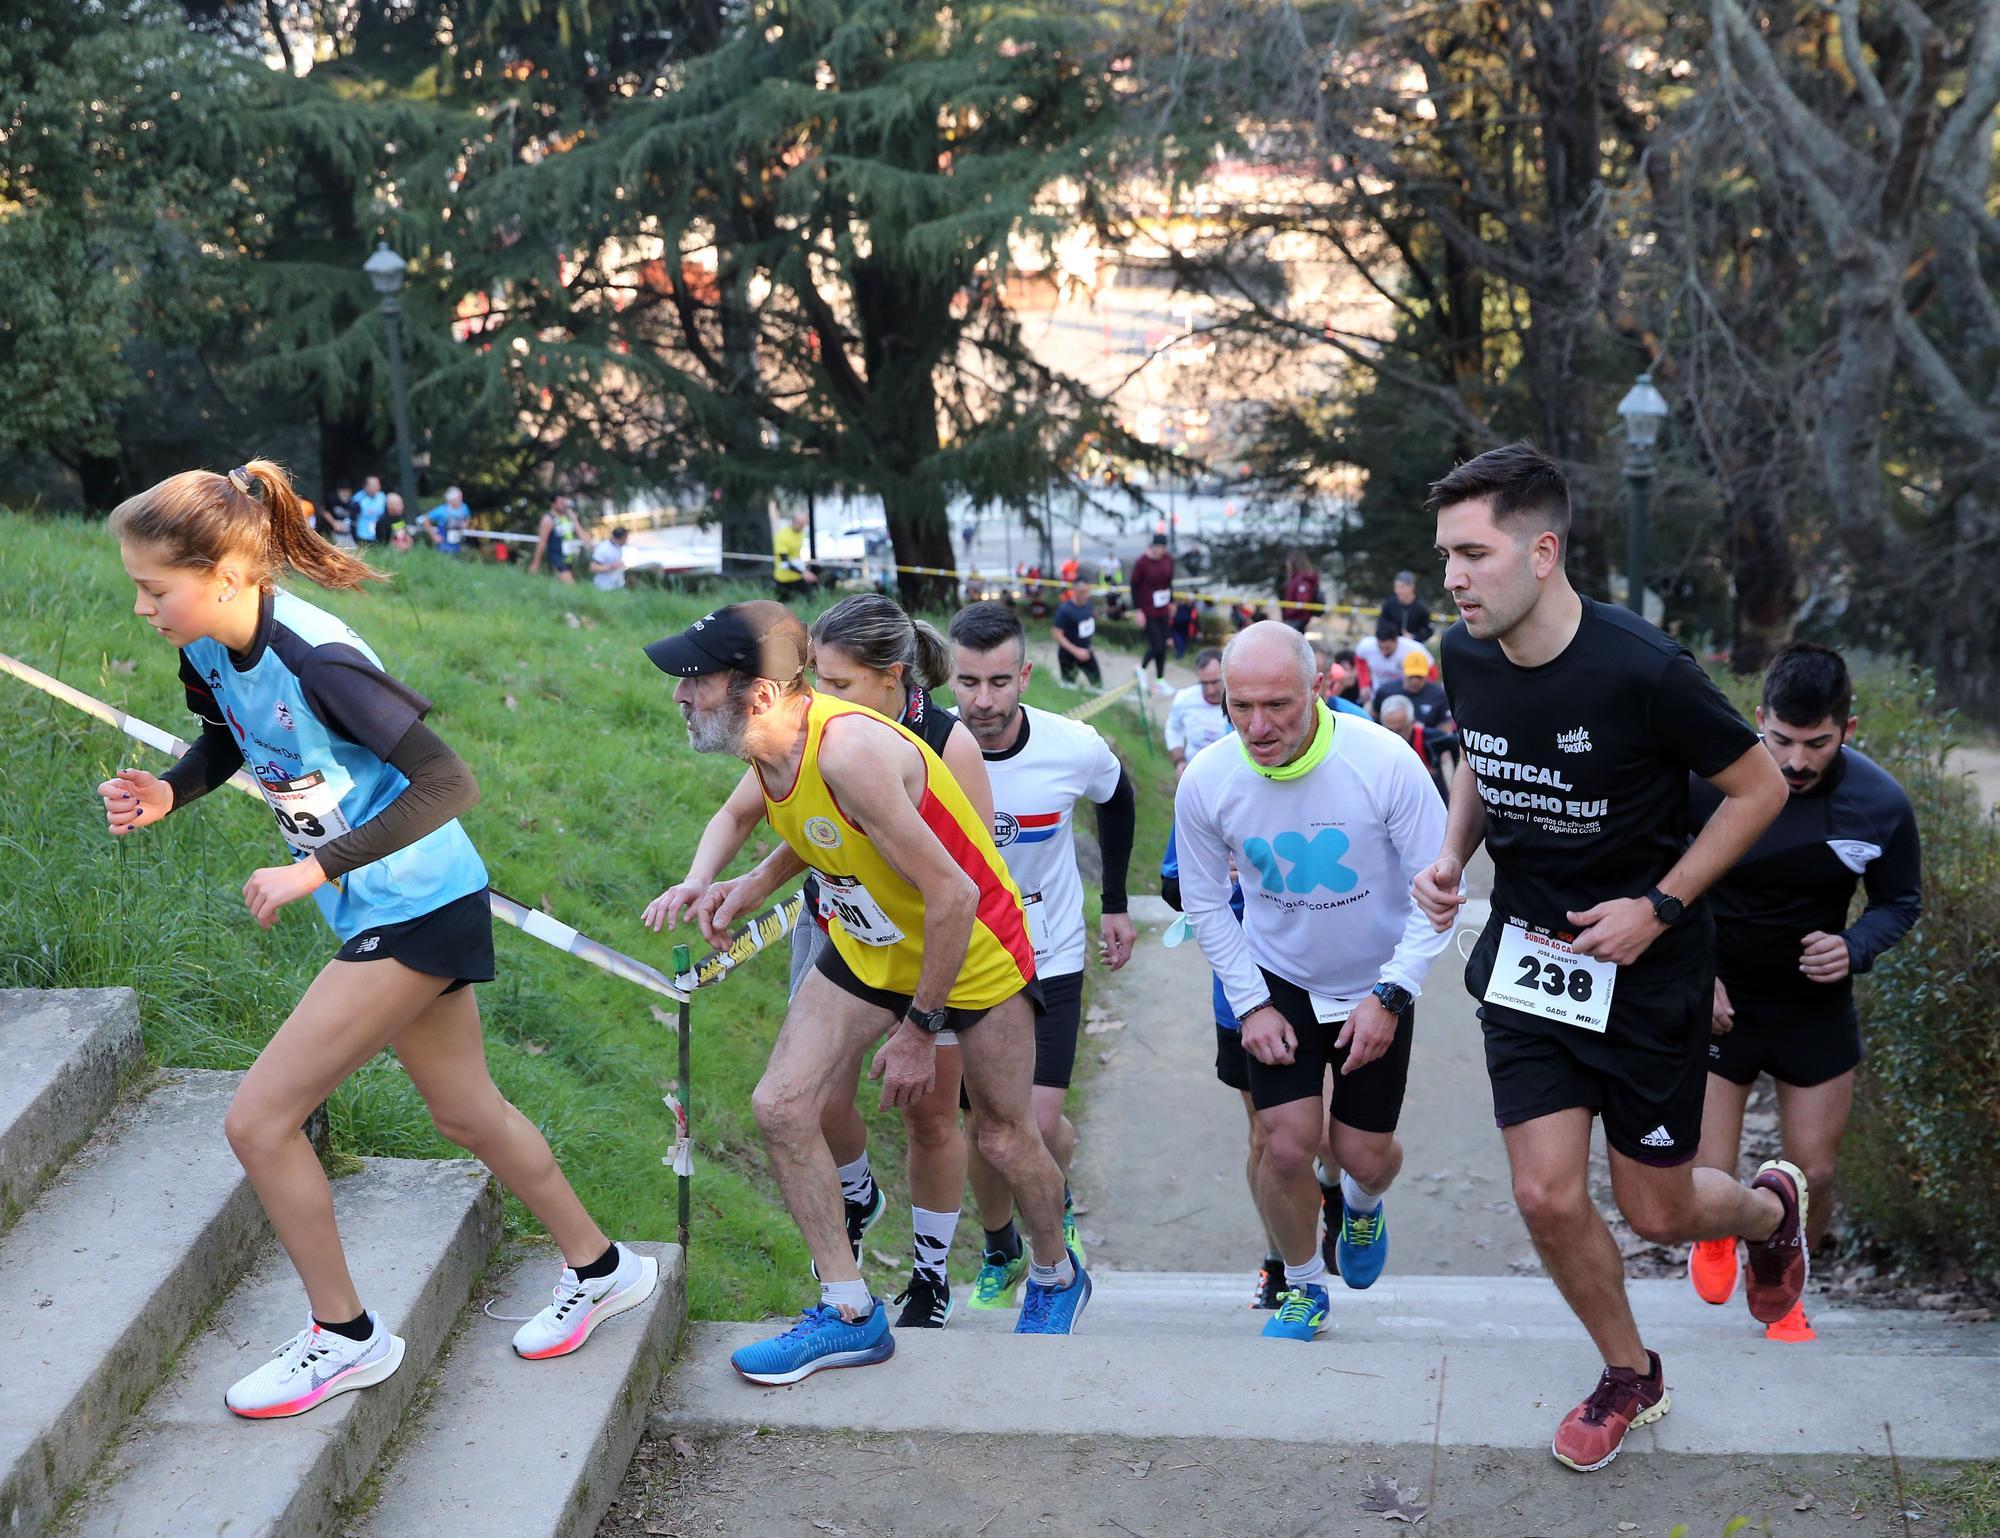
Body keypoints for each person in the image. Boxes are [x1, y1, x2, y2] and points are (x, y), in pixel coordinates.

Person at [96, 461, 651, 1419]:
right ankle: (603, 1270)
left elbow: (448, 785)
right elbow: (231, 735)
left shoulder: (320, 658)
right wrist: (170, 791)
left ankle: (345, 1338)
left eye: (155, 588)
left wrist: (317, 867)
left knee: (259, 1121)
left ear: (226, 575)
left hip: (420, 905)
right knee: (468, 1113)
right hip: (382, 905)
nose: (144, 608)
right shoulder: (211, 645)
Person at [1412, 441, 1799, 1474]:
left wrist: (1659, 906)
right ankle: (1628, 1370)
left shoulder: (1644, 670)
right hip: (1529, 957)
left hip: (1648, 970)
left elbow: (1758, 790)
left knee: (1656, 1208)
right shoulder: (1462, 653)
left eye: (1470, 552)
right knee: (1542, 1191)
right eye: (1444, 555)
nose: (1451, 576)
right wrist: (1452, 851)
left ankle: (1767, 1209)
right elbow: (1479, 757)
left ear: (1541, 552)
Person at [640, 602, 1087, 1383]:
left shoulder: (848, 749)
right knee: (780, 1105)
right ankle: (849, 1312)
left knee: (1006, 1138)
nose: (681, 696)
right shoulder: (769, 748)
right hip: (871, 945)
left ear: (761, 693)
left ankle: (1057, 1272)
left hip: (973, 952)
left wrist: (919, 1029)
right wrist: (747, 883)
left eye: (697, 681)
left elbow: (953, 896)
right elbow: (817, 829)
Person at [1176, 622, 1451, 1343]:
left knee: (1361, 1155)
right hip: (1281, 978)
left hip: (1376, 978)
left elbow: (1440, 896)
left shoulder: (1384, 762)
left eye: (1278, 706)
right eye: (1241, 707)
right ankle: (1303, 1285)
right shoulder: (1209, 778)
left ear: (1321, 689)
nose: (1258, 727)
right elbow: (1205, 902)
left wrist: (1393, 995)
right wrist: (1252, 1003)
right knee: (1287, 1143)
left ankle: (1359, 1205)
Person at [1687, 643, 1920, 1334]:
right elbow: (1660, 885)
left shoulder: (1879, 802)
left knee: (1815, 1171)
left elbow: (1899, 901)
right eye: (1780, 739)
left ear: (1846, 730)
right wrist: (1698, 979)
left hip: (1814, 1007)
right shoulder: (1712, 784)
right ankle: (1719, 1231)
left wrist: (1854, 947)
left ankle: (1785, 1277)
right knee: (1708, 1172)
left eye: (1816, 743)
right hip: (1722, 1002)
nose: (1794, 761)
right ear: (1758, 719)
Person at [947, 603, 1136, 1310]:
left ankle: (1054, 1213)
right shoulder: (922, 746)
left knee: (1033, 1121)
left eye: (1000, 681)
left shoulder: (1072, 746)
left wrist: (1114, 901)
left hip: (1047, 951)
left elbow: (1118, 800)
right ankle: (999, 1244)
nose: (984, 701)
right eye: (968, 682)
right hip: (963, 957)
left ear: (1025, 674)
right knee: (983, 1125)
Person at [1164, 647, 1228, 778]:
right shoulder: (1184, 699)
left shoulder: (1241, 701)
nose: (1210, 690)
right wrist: (1179, 761)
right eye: (1204, 683)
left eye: (1215, 682)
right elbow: (1173, 729)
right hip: (1193, 774)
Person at [1130, 531, 1175, 691]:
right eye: (1156, 547)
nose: (1158, 550)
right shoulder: (1142, 562)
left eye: (1162, 547)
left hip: (1162, 607)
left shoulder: (1168, 560)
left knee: (1163, 645)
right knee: (1157, 645)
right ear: (1152, 546)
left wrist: (1172, 602)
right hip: (1147, 609)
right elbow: (1134, 586)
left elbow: (1169, 583)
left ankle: (1160, 679)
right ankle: (1141, 669)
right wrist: (1138, 610)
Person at [1050, 583, 1102, 688]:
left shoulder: (1088, 605)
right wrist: (1076, 651)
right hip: (1068, 655)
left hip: (1087, 652)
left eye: (1087, 592)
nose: (1086, 595)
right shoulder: (1064, 610)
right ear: (1075, 592)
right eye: (1082, 592)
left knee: (1097, 683)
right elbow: (1056, 634)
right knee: (1069, 686)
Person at [529, 495, 577, 583]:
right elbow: (542, 542)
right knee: (571, 585)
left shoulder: (567, 517)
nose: (563, 504)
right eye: (560, 502)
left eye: (564, 502)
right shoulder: (548, 519)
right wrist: (536, 562)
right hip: (557, 557)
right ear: (553, 504)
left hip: (568, 558)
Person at [773, 507, 818, 600]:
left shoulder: (801, 532)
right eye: (801, 524)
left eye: (804, 524)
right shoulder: (782, 536)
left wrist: (803, 568)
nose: (803, 527)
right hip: (783, 578)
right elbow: (784, 563)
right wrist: (804, 573)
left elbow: (796, 555)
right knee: (783, 607)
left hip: (797, 576)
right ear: (793, 522)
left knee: (811, 599)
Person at [1380, 569, 1433, 643]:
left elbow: (1428, 630)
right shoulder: (1389, 604)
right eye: (1396, 587)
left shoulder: (1421, 607)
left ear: (1411, 587)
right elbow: (1382, 624)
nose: (1397, 591)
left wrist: (1414, 637)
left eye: (1401, 587)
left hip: (1414, 646)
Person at [423, 487, 472, 556]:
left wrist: (466, 523)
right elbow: (425, 519)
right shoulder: (441, 510)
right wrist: (433, 536)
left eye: (461, 498)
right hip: (443, 542)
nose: (461, 500)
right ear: (451, 500)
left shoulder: (464, 507)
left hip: (457, 542)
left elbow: (468, 517)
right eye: (458, 498)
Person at [1280, 550, 1321, 631]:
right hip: (1296, 618)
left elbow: (1302, 600)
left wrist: (1290, 612)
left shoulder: (1301, 580)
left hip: (1296, 618)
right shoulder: (1298, 579)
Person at [590, 526, 630, 591]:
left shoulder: (618, 546)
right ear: (620, 538)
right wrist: (611, 567)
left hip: (617, 586)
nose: (626, 540)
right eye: (625, 538)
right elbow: (593, 567)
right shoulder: (603, 548)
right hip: (604, 588)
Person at [352, 476, 387, 545]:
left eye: (378, 484)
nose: (376, 487)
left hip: (379, 532)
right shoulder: (358, 499)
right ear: (366, 486)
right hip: (363, 534)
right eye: (373, 485)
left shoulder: (382, 497)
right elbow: (353, 517)